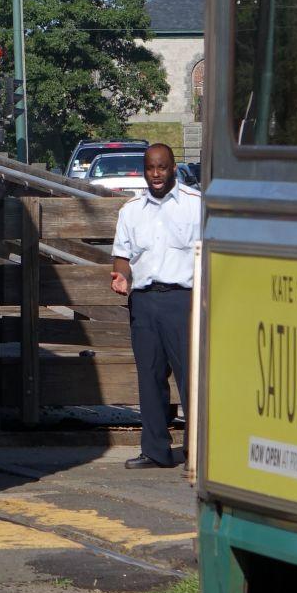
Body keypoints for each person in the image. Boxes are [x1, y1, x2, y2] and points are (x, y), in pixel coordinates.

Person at [108, 143, 200, 469]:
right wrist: (121, 275)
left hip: (183, 301)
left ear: (173, 168)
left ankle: (197, 452)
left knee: (191, 378)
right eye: (150, 168)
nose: (156, 174)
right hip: (144, 301)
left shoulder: (196, 205)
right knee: (149, 377)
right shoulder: (131, 211)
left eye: (162, 167)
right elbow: (122, 255)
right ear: (144, 171)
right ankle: (155, 451)